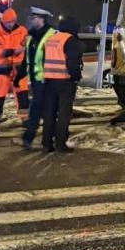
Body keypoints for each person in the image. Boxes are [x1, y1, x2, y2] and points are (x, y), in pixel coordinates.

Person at [37, 16, 83, 153]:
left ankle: (47, 143)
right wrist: (76, 77)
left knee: (49, 113)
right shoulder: (71, 40)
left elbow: (43, 59)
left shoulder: (51, 39)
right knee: (64, 113)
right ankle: (60, 143)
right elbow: (72, 63)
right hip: (65, 81)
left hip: (49, 81)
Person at [0, 7, 29, 135]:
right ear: (3, 21)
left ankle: (26, 120)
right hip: (1, 69)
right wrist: (13, 51)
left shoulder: (22, 31)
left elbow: (26, 45)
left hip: (18, 68)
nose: (10, 24)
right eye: (8, 22)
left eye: (12, 21)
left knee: (23, 96)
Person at [18, 8, 54, 151]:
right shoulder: (32, 37)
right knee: (43, 110)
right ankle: (48, 140)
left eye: (34, 18)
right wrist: (19, 76)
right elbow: (27, 59)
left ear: (41, 19)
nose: (31, 20)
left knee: (38, 110)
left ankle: (30, 138)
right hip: (36, 80)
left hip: (46, 81)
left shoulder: (51, 35)